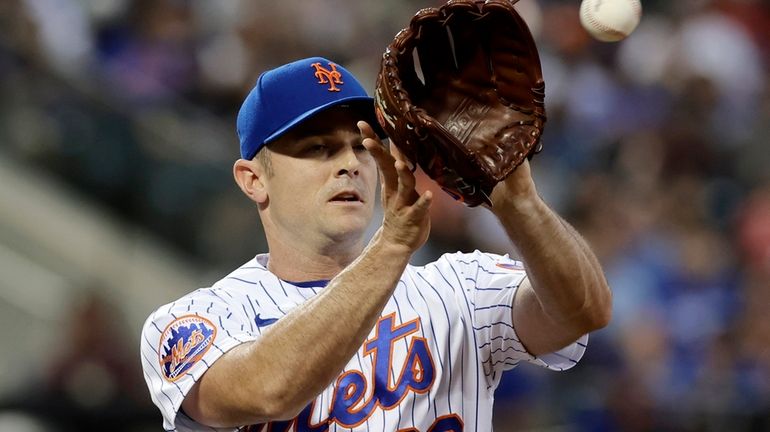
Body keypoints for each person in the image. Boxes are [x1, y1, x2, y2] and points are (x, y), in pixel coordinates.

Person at [140, 56, 612, 432]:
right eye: (318, 148)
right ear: (253, 179)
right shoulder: (194, 320)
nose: (349, 163)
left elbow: (582, 310)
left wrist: (521, 204)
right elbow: (268, 391)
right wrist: (391, 247)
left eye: (363, 145)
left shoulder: (459, 287)